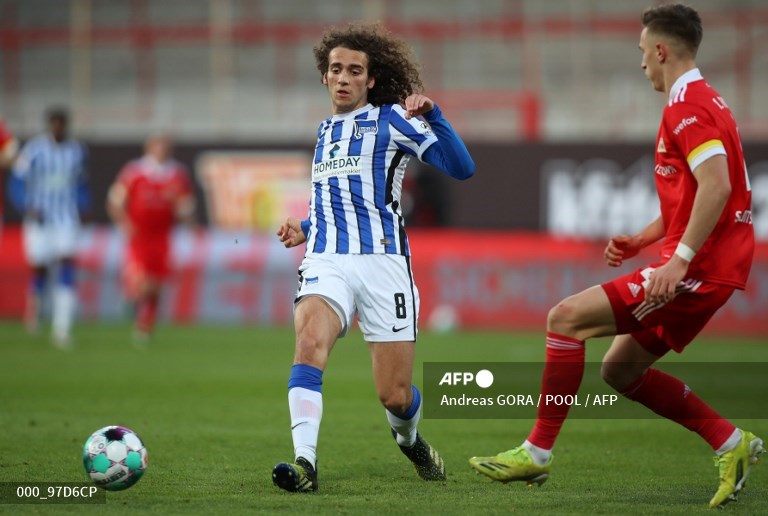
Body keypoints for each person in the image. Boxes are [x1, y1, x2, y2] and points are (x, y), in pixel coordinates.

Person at [469, 4, 763, 508]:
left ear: (662, 50)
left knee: (564, 319)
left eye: (643, 53)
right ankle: (731, 443)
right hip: (707, 266)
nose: (641, 63)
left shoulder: (687, 106)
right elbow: (695, 194)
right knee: (620, 371)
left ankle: (536, 453)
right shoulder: (703, 100)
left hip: (701, 270)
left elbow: (718, 187)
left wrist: (678, 261)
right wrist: (645, 239)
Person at [271, 23, 475, 492]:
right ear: (325, 77)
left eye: (354, 71)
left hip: (384, 266)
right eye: (336, 69)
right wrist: (303, 227)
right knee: (308, 345)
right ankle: (305, 464)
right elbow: (334, 202)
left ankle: (410, 439)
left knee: (395, 396)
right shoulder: (323, 131)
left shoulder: (391, 120)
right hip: (326, 260)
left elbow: (462, 169)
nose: (343, 77)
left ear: (371, 80)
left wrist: (436, 114)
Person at [9, 108, 90, 348]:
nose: (58, 128)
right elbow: (17, 181)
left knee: (66, 264)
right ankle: (33, 309)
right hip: (39, 217)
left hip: (66, 216)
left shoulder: (77, 151)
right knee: (40, 268)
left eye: (61, 124)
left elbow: (82, 182)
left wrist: (85, 206)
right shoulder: (34, 150)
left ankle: (62, 327)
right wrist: (25, 205)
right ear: (48, 126)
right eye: (54, 124)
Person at [106, 134, 195, 342]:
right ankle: (132, 298)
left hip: (163, 236)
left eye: (165, 146)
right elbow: (115, 201)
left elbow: (185, 206)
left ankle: (145, 324)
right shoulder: (134, 172)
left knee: (158, 283)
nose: (161, 150)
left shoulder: (177, 174)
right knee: (142, 281)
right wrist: (123, 223)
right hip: (139, 234)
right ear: (149, 148)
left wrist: (188, 220)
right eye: (158, 146)